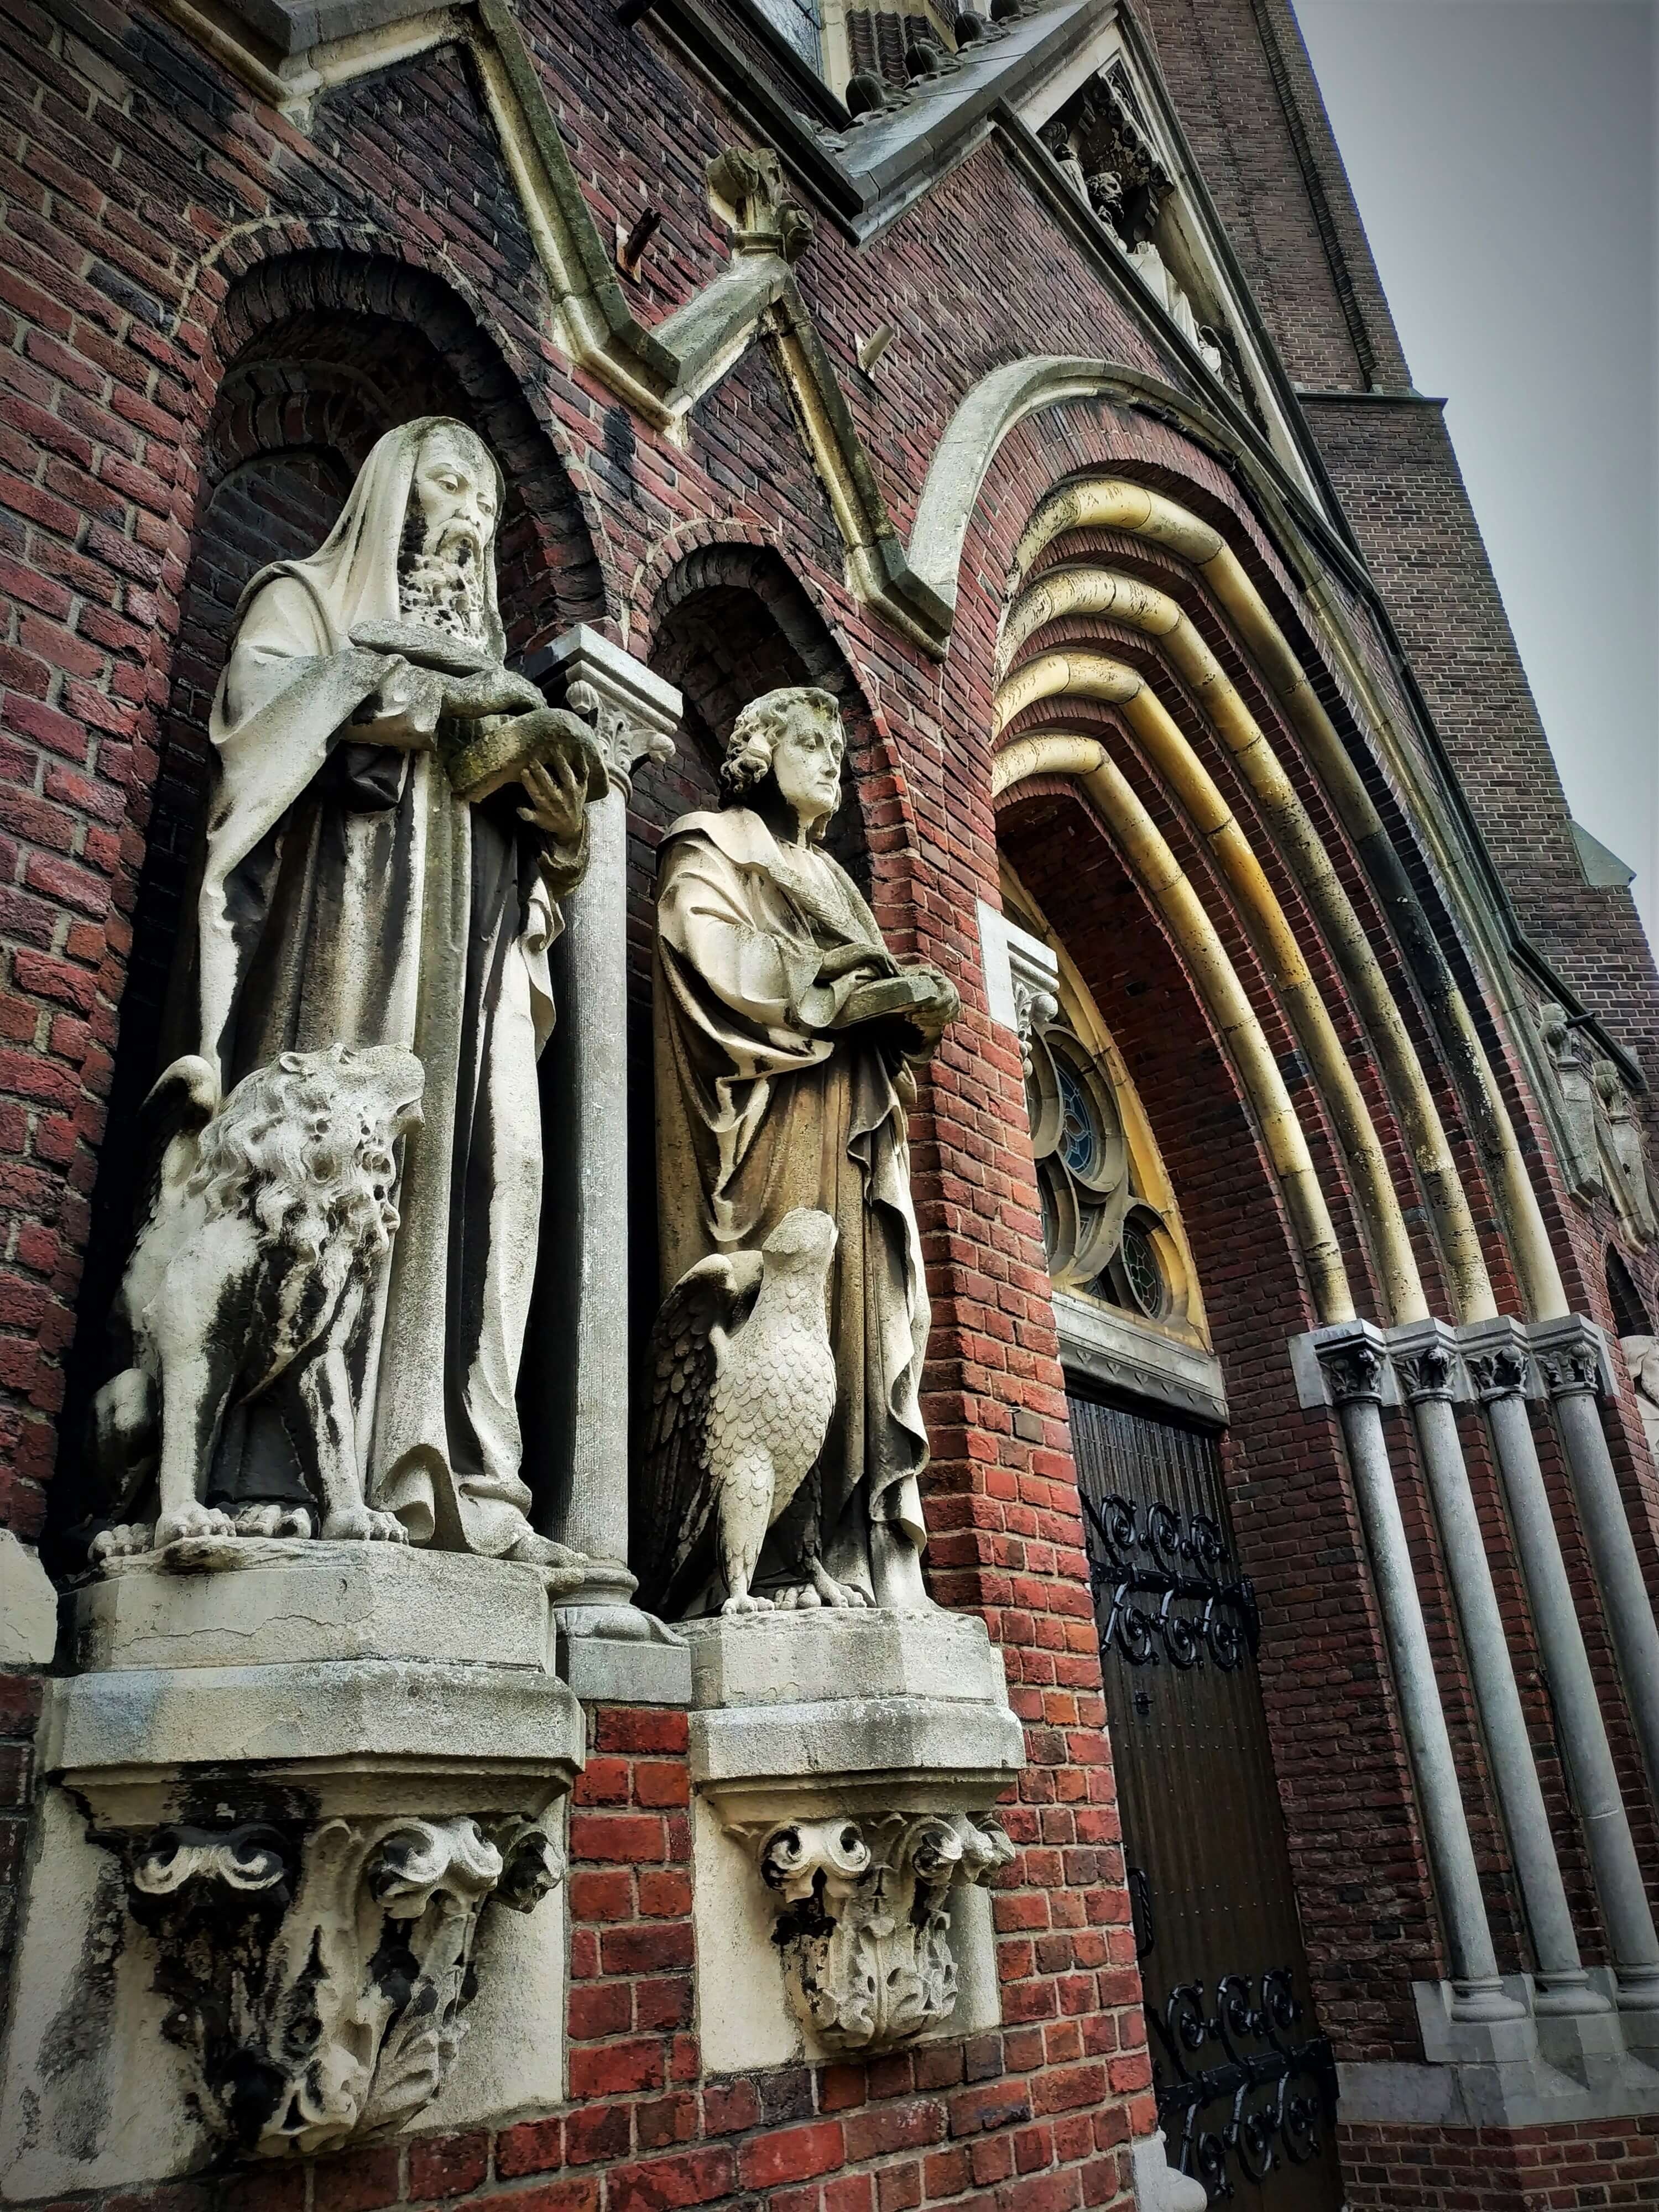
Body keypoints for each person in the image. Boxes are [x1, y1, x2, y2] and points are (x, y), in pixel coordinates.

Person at [187, 416, 588, 1562]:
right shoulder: (305, 600)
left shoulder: (505, 673)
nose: (468, 516)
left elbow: (548, 865)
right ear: (389, 487)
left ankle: (462, 1474)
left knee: (491, 1173)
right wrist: (417, 700)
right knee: (331, 1178)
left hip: (479, 953)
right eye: (448, 483)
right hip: (354, 933)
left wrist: (556, 823)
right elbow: (259, 732)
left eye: (486, 505)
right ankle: (274, 1467)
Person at [653, 685, 958, 1608]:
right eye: (812, 743)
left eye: (838, 748)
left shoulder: (838, 885)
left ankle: (840, 1550)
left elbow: (873, 996)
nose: (832, 762)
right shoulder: (711, 844)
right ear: (759, 749)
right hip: (769, 1113)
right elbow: (700, 952)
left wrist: (911, 1002)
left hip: (852, 1120)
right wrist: (830, 987)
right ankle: (759, 1564)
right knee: (779, 1322)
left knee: (854, 1329)